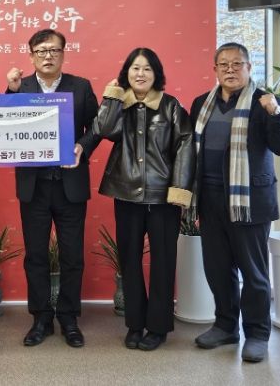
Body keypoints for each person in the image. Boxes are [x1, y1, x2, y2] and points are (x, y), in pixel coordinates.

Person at [89, 47, 195, 351]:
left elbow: (186, 146)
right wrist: (112, 96)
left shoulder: (171, 106)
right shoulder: (118, 105)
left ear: (156, 74)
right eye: (135, 68)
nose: (140, 74)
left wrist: (179, 189)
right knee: (130, 261)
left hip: (163, 198)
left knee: (163, 262)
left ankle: (158, 327)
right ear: (127, 73)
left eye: (147, 69)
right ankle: (135, 324)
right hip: (126, 195)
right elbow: (103, 129)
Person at [190, 42, 280, 363]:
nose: (230, 70)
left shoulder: (265, 102)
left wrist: (276, 113)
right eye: (224, 64)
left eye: (237, 64)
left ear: (249, 67)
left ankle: (257, 333)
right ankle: (225, 326)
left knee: (254, 272)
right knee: (217, 268)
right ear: (215, 69)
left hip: (249, 201)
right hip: (210, 198)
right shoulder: (201, 104)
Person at [6, 29, 99, 348]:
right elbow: (5, 124)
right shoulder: (21, 87)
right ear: (31, 55)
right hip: (33, 187)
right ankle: (41, 318)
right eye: (41, 51)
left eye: (54, 50)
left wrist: (82, 146)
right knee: (36, 255)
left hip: (70, 185)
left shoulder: (80, 86)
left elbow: (97, 126)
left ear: (63, 53)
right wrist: (10, 91)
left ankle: (69, 317)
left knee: (72, 255)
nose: (48, 56)